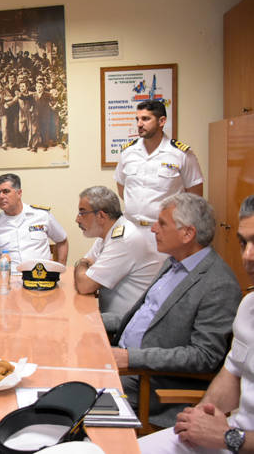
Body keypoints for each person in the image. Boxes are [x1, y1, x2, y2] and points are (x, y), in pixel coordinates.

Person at [110, 193, 241, 427]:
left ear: (187, 233)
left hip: (148, 382)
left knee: (74, 387)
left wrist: (131, 357)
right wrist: (93, 321)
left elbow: (204, 356)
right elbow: (144, 318)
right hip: (124, 361)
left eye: (162, 224)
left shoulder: (219, 284)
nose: (153, 229)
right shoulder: (172, 263)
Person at [137, 195, 254, 453]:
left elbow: (204, 355)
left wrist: (230, 438)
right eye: (244, 243)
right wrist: (200, 415)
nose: (248, 256)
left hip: (236, 440)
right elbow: (232, 372)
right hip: (229, 433)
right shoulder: (249, 307)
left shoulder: (219, 283)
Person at [73, 186, 164, 334]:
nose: (77, 219)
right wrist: (84, 265)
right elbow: (86, 263)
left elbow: (85, 285)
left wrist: (82, 264)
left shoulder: (123, 238)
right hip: (115, 319)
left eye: (82, 213)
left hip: (129, 326)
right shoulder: (108, 233)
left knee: (73, 326)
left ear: (101, 216)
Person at [114, 100, 204, 233]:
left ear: (161, 121)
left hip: (165, 229)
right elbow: (122, 187)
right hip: (131, 228)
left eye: (145, 119)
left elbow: (195, 196)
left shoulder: (181, 154)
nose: (139, 124)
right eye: (137, 119)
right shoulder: (128, 152)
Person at [0, 173, 68, 272]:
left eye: (6, 191)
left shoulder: (42, 215)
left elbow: (62, 240)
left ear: (19, 193)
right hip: (11, 277)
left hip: (41, 277)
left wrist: (60, 271)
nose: (1, 196)